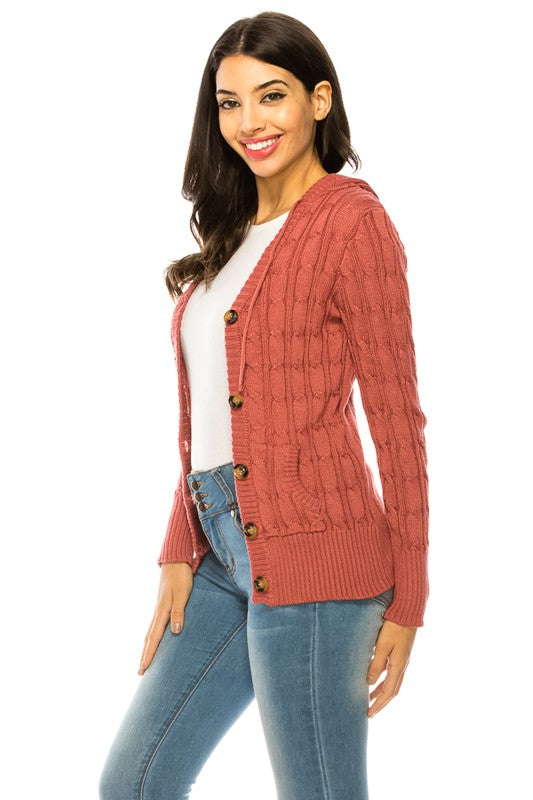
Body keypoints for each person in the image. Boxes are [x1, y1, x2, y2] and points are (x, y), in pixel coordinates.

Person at [99, 11, 429, 800]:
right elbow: (211, 417)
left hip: (319, 561)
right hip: (220, 553)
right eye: (229, 102)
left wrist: (409, 600)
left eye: (271, 95)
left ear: (319, 100)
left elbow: (397, 421)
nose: (249, 121)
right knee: (134, 784)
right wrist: (179, 545)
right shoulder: (230, 233)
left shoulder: (351, 222)